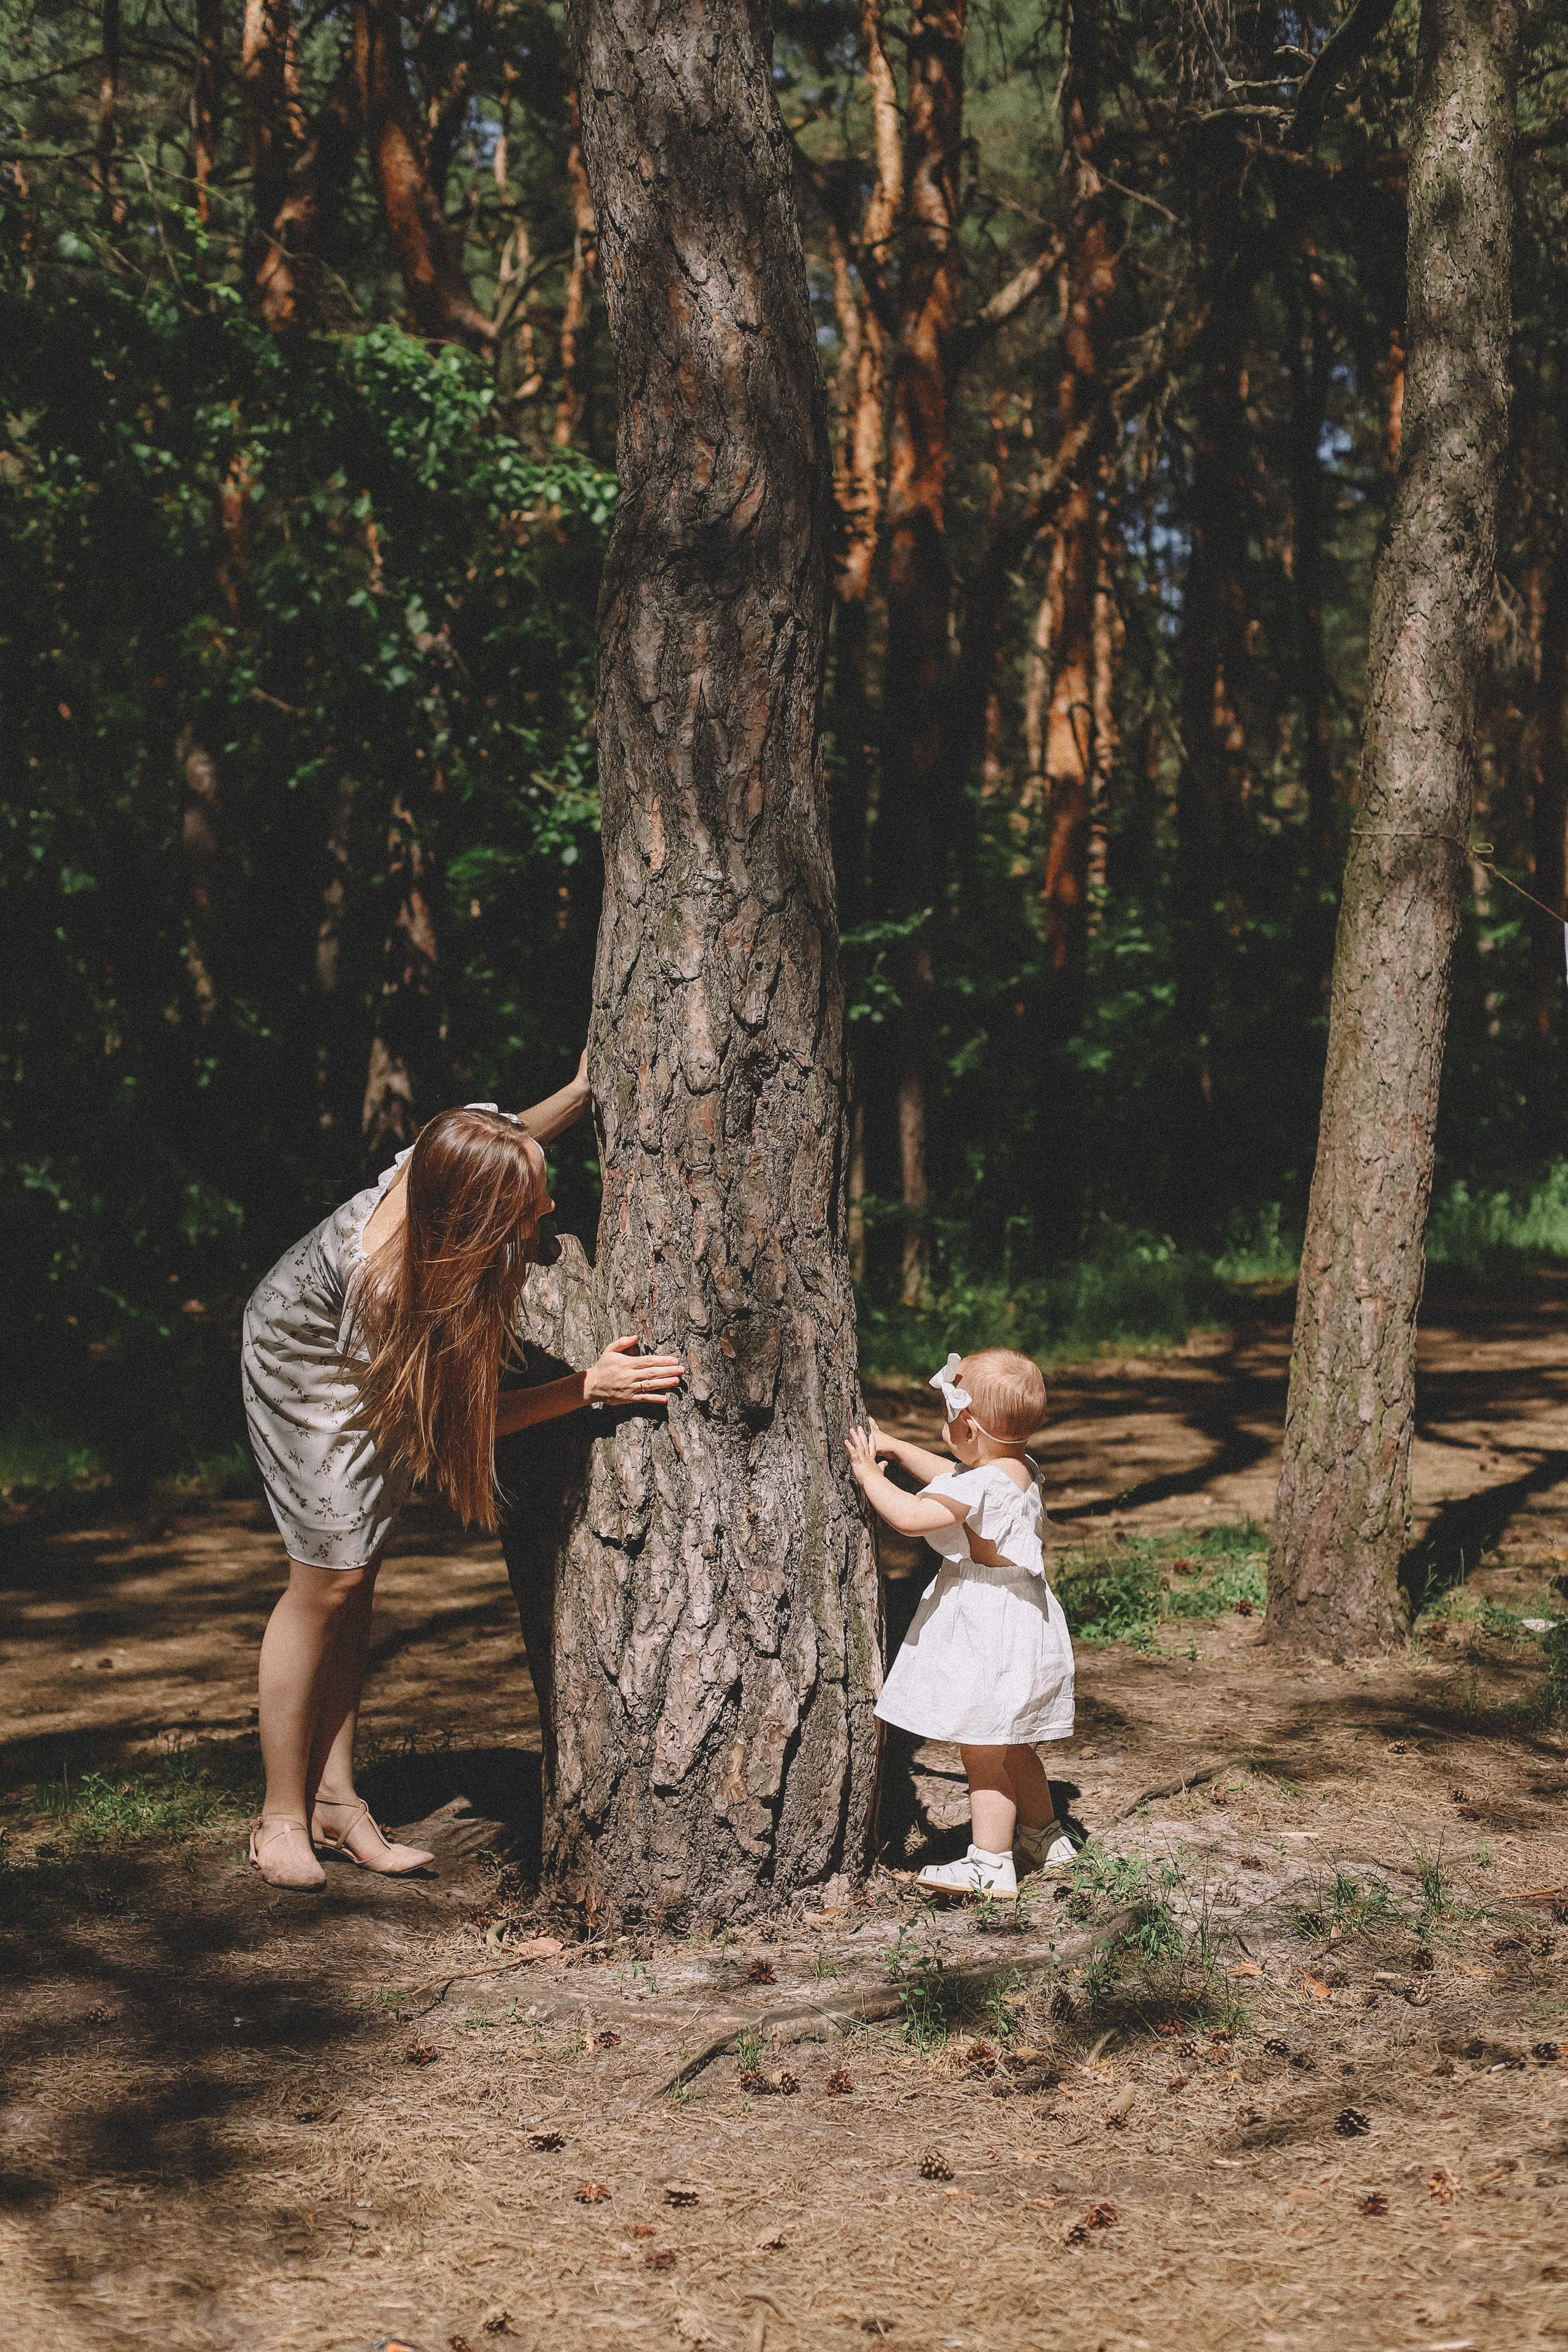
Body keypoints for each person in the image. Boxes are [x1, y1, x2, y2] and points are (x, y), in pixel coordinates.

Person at [242, 1069, 682, 1890]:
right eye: (532, 1205)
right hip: (303, 1367)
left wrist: (588, 1087)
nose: (547, 1210)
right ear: (478, 1216)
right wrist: (582, 1387)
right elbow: (449, 1433)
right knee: (326, 1583)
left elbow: (510, 1131)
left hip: (368, 1357)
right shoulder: (393, 1288)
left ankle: (336, 1804)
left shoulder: (454, 1153)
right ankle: (279, 1818)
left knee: (358, 1578)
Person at [845, 1348, 1076, 1898]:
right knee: (1014, 1740)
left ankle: (990, 1863)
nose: (943, 1425)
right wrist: (899, 1449)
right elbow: (955, 1476)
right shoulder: (1018, 1470)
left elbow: (908, 1516)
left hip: (987, 1623)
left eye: (948, 1416)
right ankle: (1044, 1836)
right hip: (1024, 1617)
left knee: (982, 1749)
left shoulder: (981, 1485)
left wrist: (867, 1475)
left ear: (968, 1425)